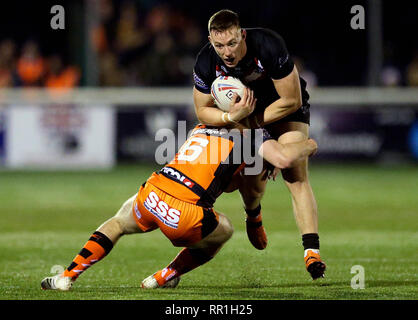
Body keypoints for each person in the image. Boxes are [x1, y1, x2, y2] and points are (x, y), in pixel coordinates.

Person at [41, 92, 318, 290]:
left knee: (117, 223)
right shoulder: (250, 142)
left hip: (155, 190)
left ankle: (66, 276)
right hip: (185, 214)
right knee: (224, 231)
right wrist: (255, 216)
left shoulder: (199, 127)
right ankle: (167, 274)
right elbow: (252, 187)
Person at [192, 9, 325, 279]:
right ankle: (253, 214)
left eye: (231, 43)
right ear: (210, 40)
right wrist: (231, 117)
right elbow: (202, 110)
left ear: (242, 35)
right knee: (248, 179)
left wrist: (252, 124)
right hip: (244, 116)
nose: (226, 52)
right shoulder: (206, 60)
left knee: (294, 172)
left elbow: (292, 100)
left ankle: (312, 252)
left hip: (283, 110)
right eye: (219, 45)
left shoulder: (267, 44)